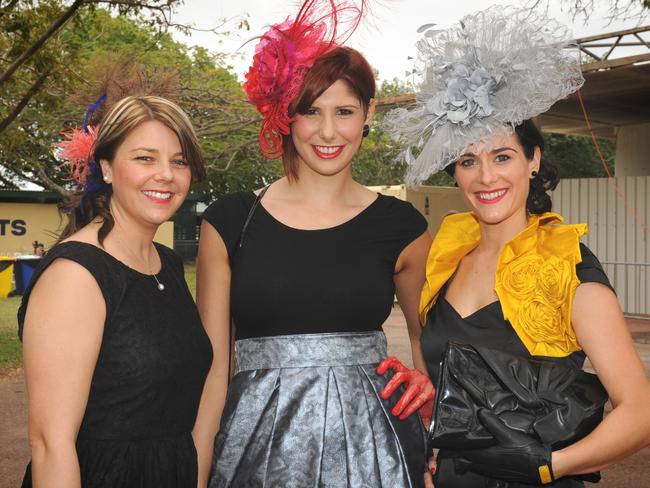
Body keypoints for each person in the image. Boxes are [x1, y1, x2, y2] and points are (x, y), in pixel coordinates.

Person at [381, 6, 650, 487]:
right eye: (467, 161)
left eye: (502, 156)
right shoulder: (446, 257)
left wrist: (550, 465)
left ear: (533, 160)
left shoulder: (567, 266)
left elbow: (641, 413)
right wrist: (431, 423)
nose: (486, 177)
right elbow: (449, 383)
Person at [192, 1, 433, 486]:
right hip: (254, 448)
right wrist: (198, 474)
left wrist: (431, 408)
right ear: (286, 116)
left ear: (368, 113)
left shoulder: (403, 227)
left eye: (344, 111)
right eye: (310, 111)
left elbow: (431, 341)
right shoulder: (229, 221)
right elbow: (213, 372)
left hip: (378, 451)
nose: (328, 132)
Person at [18, 95, 212, 487]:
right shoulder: (76, 274)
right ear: (106, 167)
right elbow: (50, 443)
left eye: (179, 161)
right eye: (145, 158)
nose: (165, 175)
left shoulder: (168, 264)